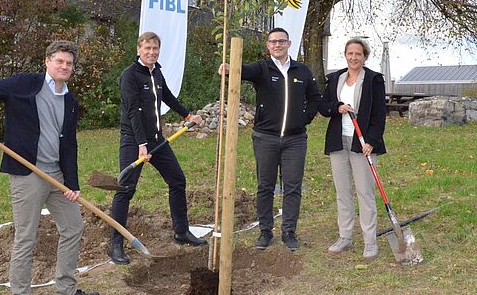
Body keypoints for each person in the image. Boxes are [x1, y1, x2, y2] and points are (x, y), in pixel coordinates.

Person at [0, 40, 98, 295]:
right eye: (59, 61)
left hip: (57, 175)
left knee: (73, 227)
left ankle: (66, 289)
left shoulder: (70, 101)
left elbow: (69, 145)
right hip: (27, 173)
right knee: (26, 237)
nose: (64, 66)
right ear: (47, 61)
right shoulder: (25, 84)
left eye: (69, 63)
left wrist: (72, 184)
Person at [108, 31, 206, 265]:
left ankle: (181, 232)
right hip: (134, 140)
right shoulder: (129, 75)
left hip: (156, 139)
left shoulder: (157, 72)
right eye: (147, 48)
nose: (151, 52)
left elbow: (168, 97)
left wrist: (187, 114)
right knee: (125, 189)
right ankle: (116, 245)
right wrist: (141, 145)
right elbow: (132, 111)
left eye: (155, 49)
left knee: (177, 180)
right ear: (138, 50)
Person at [219, 27, 321, 251]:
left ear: (289, 44)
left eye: (281, 41)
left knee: (292, 186)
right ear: (267, 46)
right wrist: (229, 68)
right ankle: (265, 231)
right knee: (265, 186)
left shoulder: (302, 71)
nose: (277, 45)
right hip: (265, 138)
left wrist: (304, 119)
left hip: (295, 140)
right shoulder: (262, 69)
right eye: (273, 42)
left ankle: (289, 232)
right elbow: (241, 71)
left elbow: (315, 98)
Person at [318, 37, 386, 262]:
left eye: (358, 54)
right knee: (342, 192)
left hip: (362, 143)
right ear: (345, 55)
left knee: (365, 193)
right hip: (339, 141)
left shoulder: (374, 80)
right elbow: (324, 107)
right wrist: (336, 107)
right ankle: (345, 236)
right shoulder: (336, 78)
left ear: (364, 56)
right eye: (350, 54)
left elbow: (379, 114)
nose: (354, 57)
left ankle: (370, 241)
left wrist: (372, 141)